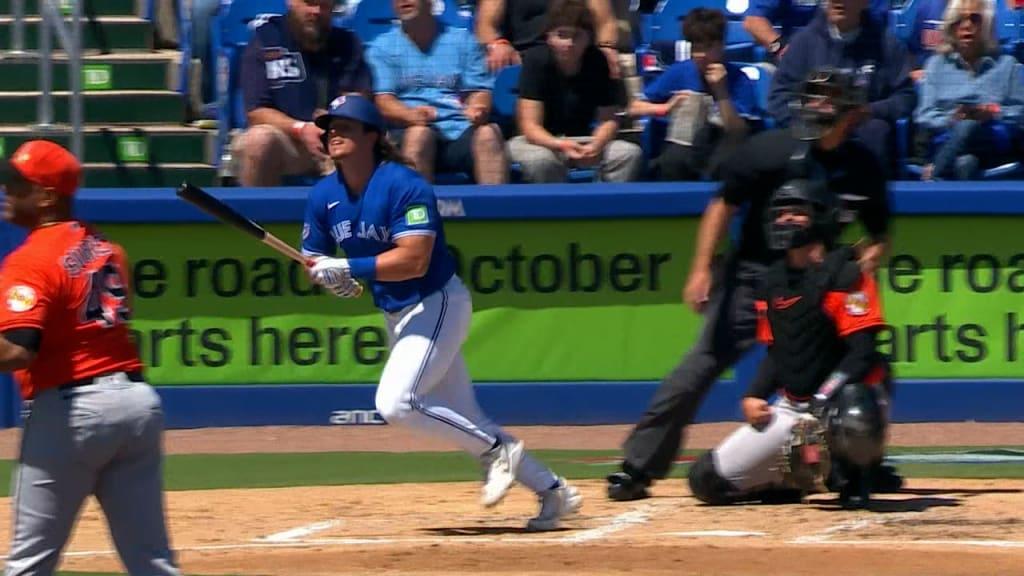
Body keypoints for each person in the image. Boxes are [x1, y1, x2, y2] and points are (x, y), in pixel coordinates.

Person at [606, 68, 900, 502]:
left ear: (851, 112)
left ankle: (861, 461)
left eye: (829, 99)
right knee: (699, 365)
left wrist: (865, 261)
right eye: (813, 97)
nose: (818, 107)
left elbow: (879, 235)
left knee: (868, 364)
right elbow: (722, 204)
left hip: (820, 281)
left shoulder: (862, 166)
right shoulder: (770, 149)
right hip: (754, 276)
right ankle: (638, 466)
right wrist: (701, 268)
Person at [301, 94, 582, 531]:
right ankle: (553, 491)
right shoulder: (324, 195)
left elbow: (413, 259)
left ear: (372, 136)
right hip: (396, 313)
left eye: (345, 127)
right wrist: (326, 276)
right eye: (329, 128)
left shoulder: (404, 184)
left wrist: (349, 267)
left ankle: (499, 451)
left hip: (437, 301)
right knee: (467, 418)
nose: (333, 133)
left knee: (396, 403)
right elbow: (313, 259)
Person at [0, 141, 180, 575]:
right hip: (136, 405)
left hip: (73, 413)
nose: (7, 192)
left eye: (17, 185)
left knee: (29, 562)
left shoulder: (31, 260)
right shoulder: (105, 247)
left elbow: (17, 350)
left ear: (47, 196)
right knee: (152, 561)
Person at [687, 179, 893, 510]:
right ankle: (797, 479)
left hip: (835, 402)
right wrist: (754, 395)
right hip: (793, 407)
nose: (787, 219)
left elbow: (862, 353)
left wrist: (822, 398)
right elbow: (776, 353)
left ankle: (857, 476)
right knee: (706, 480)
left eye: (797, 212)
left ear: (821, 217)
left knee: (856, 404)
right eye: (781, 213)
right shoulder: (772, 282)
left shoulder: (847, 274)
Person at [369, 0, 508, 184]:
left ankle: (496, 202)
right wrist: (411, 115)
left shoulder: (462, 40)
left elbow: (479, 90)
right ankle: (417, 203)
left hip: (458, 128)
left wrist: (478, 107)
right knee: (419, 135)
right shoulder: (382, 47)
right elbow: (384, 101)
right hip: (407, 130)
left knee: (488, 134)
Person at [235, 0, 373, 186]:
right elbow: (256, 112)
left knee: (363, 143)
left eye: (323, 5)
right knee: (258, 141)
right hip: (288, 141)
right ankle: (257, 206)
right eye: (309, 3)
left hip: (334, 137)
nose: (316, 11)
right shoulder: (266, 40)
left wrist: (337, 119)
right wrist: (301, 129)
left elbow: (360, 98)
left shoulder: (347, 43)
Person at [768, 0, 916, 171]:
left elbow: (906, 97)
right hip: (814, 128)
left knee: (876, 131)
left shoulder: (887, 45)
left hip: (863, 127)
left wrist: (869, 111)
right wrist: (809, 112)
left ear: (865, 3)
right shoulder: (803, 43)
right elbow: (778, 97)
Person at [508, 0, 643, 184]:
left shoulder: (598, 62)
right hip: (536, 142)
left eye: (577, 36)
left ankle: (605, 200)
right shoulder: (536, 61)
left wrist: (597, 144)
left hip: (582, 139)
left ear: (588, 37)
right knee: (541, 161)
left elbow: (608, 119)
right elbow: (530, 127)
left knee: (628, 153)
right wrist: (560, 145)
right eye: (562, 35)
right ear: (549, 37)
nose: (569, 43)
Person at [627, 8, 758, 181]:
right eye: (696, 48)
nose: (702, 55)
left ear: (721, 45)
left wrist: (722, 93)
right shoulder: (680, 71)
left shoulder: (739, 79)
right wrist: (666, 107)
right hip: (683, 146)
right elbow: (634, 108)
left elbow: (738, 132)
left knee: (725, 161)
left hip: (721, 147)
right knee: (673, 160)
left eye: (709, 47)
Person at [914, 0, 1024, 180]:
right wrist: (951, 119)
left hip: (992, 141)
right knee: (966, 162)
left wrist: (993, 112)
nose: (966, 25)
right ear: (951, 27)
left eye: (975, 19)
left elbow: (1020, 112)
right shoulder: (936, 65)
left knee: (970, 124)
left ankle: (933, 175)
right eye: (959, 20)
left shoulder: (1007, 65)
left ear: (987, 24)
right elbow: (924, 115)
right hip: (948, 138)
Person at [476, 0, 621, 76]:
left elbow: (606, 22)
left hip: (574, 55)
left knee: (604, 63)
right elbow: (485, 24)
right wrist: (498, 44)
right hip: (522, 59)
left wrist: (606, 47)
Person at [744, 0, 890, 63]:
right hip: (797, 57)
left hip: (852, 55)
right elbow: (753, 20)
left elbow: (873, 23)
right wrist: (780, 48)